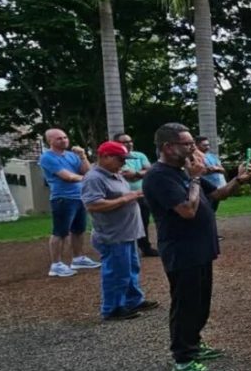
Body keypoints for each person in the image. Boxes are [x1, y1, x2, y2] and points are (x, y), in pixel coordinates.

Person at [143, 122, 251, 371]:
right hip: (182, 251)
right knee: (185, 305)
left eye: (192, 143)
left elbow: (216, 194)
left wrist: (238, 179)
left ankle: (193, 343)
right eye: (187, 144)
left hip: (200, 249)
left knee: (200, 302)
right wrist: (193, 177)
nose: (193, 148)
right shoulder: (159, 176)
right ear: (168, 147)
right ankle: (182, 361)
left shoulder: (182, 171)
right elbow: (187, 211)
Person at [81, 141, 160, 321]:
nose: (124, 163)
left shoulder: (114, 174)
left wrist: (136, 194)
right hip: (112, 234)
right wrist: (127, 199)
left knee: (130, 268)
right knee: (116, 272)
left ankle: (133, 300)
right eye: (120, 159)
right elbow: (93, 204)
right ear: (105, 157)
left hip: (126, 232)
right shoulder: (94, 178)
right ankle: (112, 308)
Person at [39, 128, 100, 278]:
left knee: (79, 230)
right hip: (62, 198)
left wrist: (83, 156)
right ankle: (56, 265)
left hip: (79, 197)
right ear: (50, 141)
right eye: (59, 138)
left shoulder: (73, 156)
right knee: (60, 232)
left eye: (65, 137)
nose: (64, 140)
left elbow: (87, 171)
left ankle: (78, 258)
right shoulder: (47, 157)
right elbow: (68, 177)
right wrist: (87, 179)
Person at [115, 133, 159, 257]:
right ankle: (126, 248)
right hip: (123, 195)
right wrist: (139, 174)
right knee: (125, 222)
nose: (129, 144)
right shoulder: (116, 157)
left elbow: (149, 171)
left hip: (141, 194)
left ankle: (145, 247)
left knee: (143, 221)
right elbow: (123, 174)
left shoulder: (139, 155)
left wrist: (136, 174)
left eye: (130, 141)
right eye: (124, 142)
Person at [195, 136, 226, 212]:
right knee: (205, 210)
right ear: (197, 146)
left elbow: (222, 169)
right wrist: (213, 169)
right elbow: (200, 171)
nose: (208, 147)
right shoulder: (195, 157)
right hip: (204, 189)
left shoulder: (212, 156)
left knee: (213, 210)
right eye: (204, 145)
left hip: (216, 188)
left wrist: (214, 169)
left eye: (208, 145)